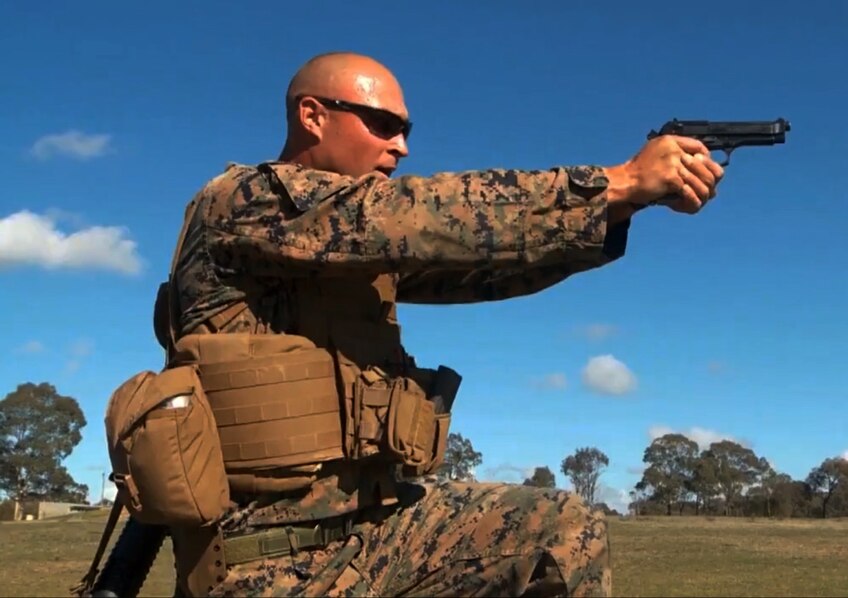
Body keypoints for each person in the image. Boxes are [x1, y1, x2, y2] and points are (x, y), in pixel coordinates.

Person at [154, 51, 724, 597]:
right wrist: (617, 181)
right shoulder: (246, 202)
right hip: (270, 564)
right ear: (312, 116)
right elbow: (428, 216)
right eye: (382, 124)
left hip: (370, 535)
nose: (400, 146)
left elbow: (481, 266)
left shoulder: (350, 251)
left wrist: (624, 207)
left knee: (561, 528)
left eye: (406, 130)